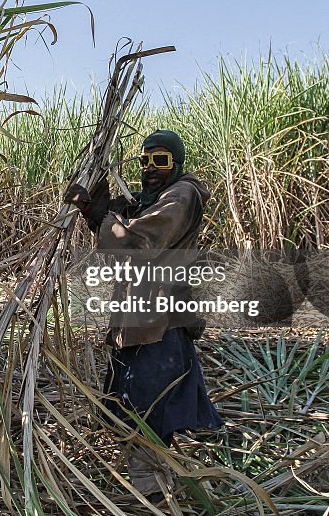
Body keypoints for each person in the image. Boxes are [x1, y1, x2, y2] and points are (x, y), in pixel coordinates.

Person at [64, 129, 223, 497]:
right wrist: (94, 204)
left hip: (159, 321)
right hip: (138, 316)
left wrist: (104, 217)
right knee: (137, 399)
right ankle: (153, 478)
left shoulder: (181, 195)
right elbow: (121, 222)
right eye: (145, 160)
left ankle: (150, 491)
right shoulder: (150, 199)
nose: (151, 168)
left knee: (147, 405)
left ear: (177, 164)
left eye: (161, 161)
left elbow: (139, 241)